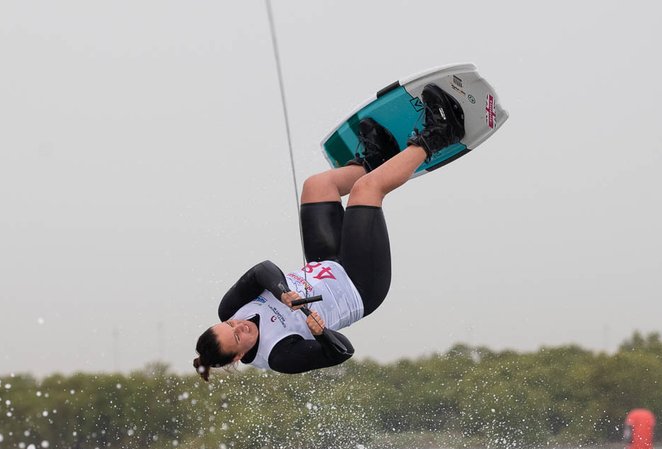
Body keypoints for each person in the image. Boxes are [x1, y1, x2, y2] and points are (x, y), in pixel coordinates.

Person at [194, 84, 465, 379]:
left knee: (317, 186)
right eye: (237, 336)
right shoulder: (279, 355)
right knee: (367, 191)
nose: (239, 325)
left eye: (231, 325)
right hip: (359, 285)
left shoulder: (230, 309)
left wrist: (283, 293)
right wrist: (320, 333)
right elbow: (342, 352)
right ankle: (439, 135)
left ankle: (377, 160)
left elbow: (262, 270)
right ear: (238, 357)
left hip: (325, 263)